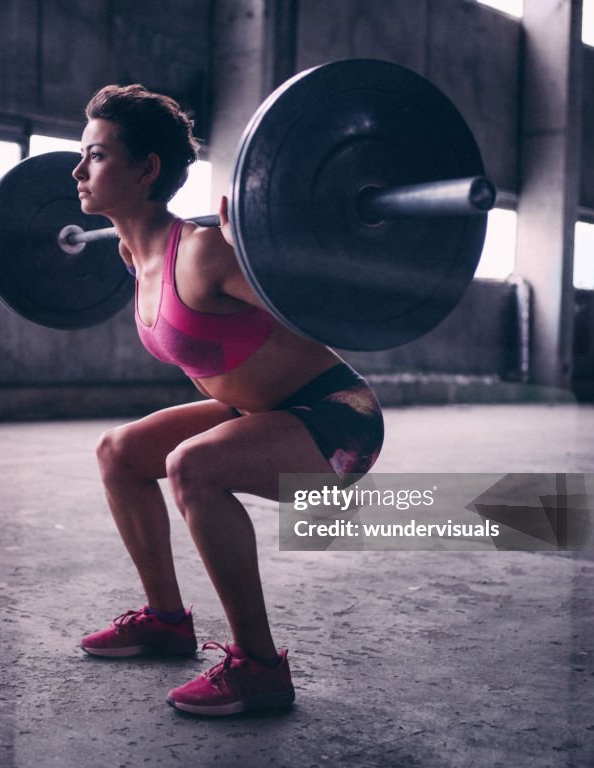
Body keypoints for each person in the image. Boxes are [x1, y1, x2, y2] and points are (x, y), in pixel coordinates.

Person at [72, 84, 384, 716]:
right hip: (258, 411)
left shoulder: (205, 252)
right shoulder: (136, 254)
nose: (78, 170)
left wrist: (265, 248)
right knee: (120, 452)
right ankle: (164, 620)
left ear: (146, 170)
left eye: (98, 156)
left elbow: (322, 313)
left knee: (195, 465)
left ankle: (259, 667)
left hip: (335, 420)